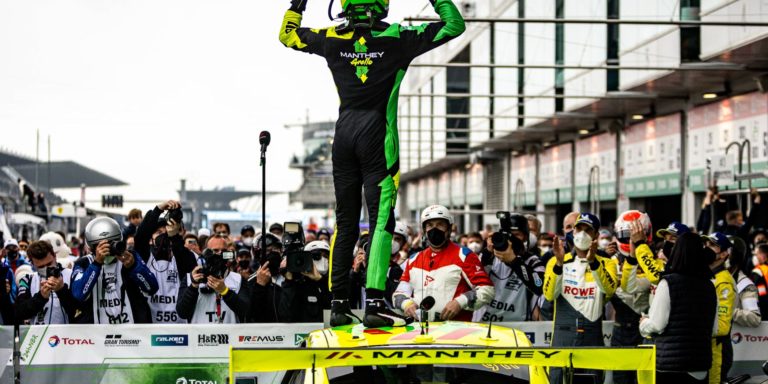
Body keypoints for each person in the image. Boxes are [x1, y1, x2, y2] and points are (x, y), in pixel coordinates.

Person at [280, 0, 465, 328]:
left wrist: (298, 4)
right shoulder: (398, 36)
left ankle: (338, 304)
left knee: (345, 223)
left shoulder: (332, 37)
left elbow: (287, 35)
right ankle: (375, 303)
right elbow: (454, 25)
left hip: (343, 136)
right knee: (381, 222)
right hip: (377, 135)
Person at [543, 213, 617, 384]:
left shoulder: (607, 263)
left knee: (593, 379)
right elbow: (549, 294)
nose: (582, 234)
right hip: (563, 334)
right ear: (573, 232)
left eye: (588, 230)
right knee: (557, 379)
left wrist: (593, 263)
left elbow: (609, 289)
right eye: (579, 229)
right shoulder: (557, 260)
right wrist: (559, 265)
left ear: (596, 235)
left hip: (592, 334)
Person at [393, 205, 494, 323]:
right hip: (419, 329)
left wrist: (460, 302)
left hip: (456, 329)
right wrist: (407, 304)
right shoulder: (414, 259)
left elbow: (486, 290)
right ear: (424, 230)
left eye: (440, 224)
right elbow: (399, 294)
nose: (434, 229)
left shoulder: (464, 255)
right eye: (430, 225)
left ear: (449, 229)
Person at [639, 232, 717, 384]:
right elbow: (714, 329)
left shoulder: (668, 283)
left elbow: (657, 325)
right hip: (700, 366)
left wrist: (643, 323)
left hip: (671, 366)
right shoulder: (710, 286)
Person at [71, 217, 159, 324]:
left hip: (132, 330)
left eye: (111, 244)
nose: (107, 249)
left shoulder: (130, 257)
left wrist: (133, 267)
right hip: (98, 331)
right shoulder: (84, 263)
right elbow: (78, 294)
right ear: (91, 247)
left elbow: (151, 288)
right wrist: (96, 264)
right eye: (100, 246)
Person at [134, 200, 198, 324]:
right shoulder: (145, 258)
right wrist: (158, 209)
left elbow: (187, 263)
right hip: (149, 329)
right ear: (150, 239)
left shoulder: (181, 258)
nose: (163, 236)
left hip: (180, 328)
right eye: (159, 232)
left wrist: (174, 236)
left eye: (166, 233)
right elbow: (141, 236)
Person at [473, 214, 544, 322]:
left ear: (526, 237)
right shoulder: (489, 256)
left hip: (517, 327)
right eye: (508, 235)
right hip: (483, 324)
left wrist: (514, 261)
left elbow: (539, 286)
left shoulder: (532, 261)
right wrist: (487, 251)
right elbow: (472, 283)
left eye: (516, 234)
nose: (511, 239)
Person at [612, 213, 655, 384]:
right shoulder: (610, 261)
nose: (631, 239)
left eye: (636, 235)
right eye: (626, 235)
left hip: (647, 329)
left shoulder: (656, 260)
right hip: (622, 329)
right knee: (620, 379)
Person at [176, 235, 249, 323]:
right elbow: (182, 313)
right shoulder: (191, 278)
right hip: (199, 332)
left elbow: (246, 311)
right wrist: (193, 286)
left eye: (223, 251)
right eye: (215, 250)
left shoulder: (238, 279)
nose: (219, 255)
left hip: (229, 332)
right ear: (206, 253)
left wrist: (225, 291)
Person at [16, 241, 77, 324]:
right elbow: (19, 313)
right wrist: (41, 297)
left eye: (49, 264)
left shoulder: (72, 275)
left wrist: (62, 290)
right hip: (38, 332)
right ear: (32, 264)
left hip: (66, 331)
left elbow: (78, 311)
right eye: (41, 267)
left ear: (54, 256)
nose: (46, 269)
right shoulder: (27, 280)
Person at [702, 232, 736, 384]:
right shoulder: (705, 275)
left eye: (712, 245)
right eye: (706, 244)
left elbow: (722, 326)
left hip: (717, 350)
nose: (706, 247)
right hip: (704, 349)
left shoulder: (724, 281)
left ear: (723, 254)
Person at [279, 240, 332, 322]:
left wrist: (320, 280)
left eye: (325, 256)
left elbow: (333, 308)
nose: (322, 259)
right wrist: (289, 281)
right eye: (316, 256)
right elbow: (286, 316)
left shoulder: (333, 283)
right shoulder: (297, 284)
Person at [247, 232, 285, 322]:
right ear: (258, 255)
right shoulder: (252, 281)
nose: (273, 253)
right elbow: (251, 315)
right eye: (268, 250)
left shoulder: (289, 276)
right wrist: (260, 286)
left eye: (275, 249)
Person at [728, 237, 761, 327]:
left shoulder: (744, 284)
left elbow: (754, 318)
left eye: (725, 251)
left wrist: (725, 311)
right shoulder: (708, 278)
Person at [752, 243, 768, 320]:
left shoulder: (758, 271)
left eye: (756, 254)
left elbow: (761, 293)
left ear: (763, 256)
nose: (754, 257)